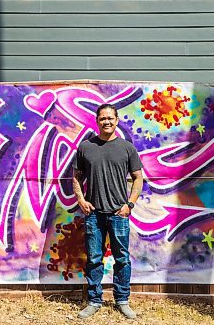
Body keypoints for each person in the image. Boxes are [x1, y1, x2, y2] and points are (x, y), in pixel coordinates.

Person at [72, 103, 143, 319]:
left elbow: (138, 177)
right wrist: (81, 200)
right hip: (94, 214)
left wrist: (129, 205)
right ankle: (94, 300)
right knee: (94, 258)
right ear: (97, 121)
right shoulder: (86, 147)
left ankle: (122, 300)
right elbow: (76, 176)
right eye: (103, 118)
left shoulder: (127, 148)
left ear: (117, 120)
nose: (107, 122)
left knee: (122, 258)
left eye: (110, 118)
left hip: (119, 214)